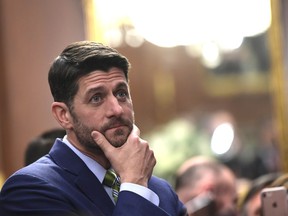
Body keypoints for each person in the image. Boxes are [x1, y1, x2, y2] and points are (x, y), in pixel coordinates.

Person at [0, 41, 187, 216]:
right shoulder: (30, 189)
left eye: (121, 94)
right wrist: (134, 186)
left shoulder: (159, 189)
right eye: (96, 98)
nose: (117, 109)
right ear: (64, 115)